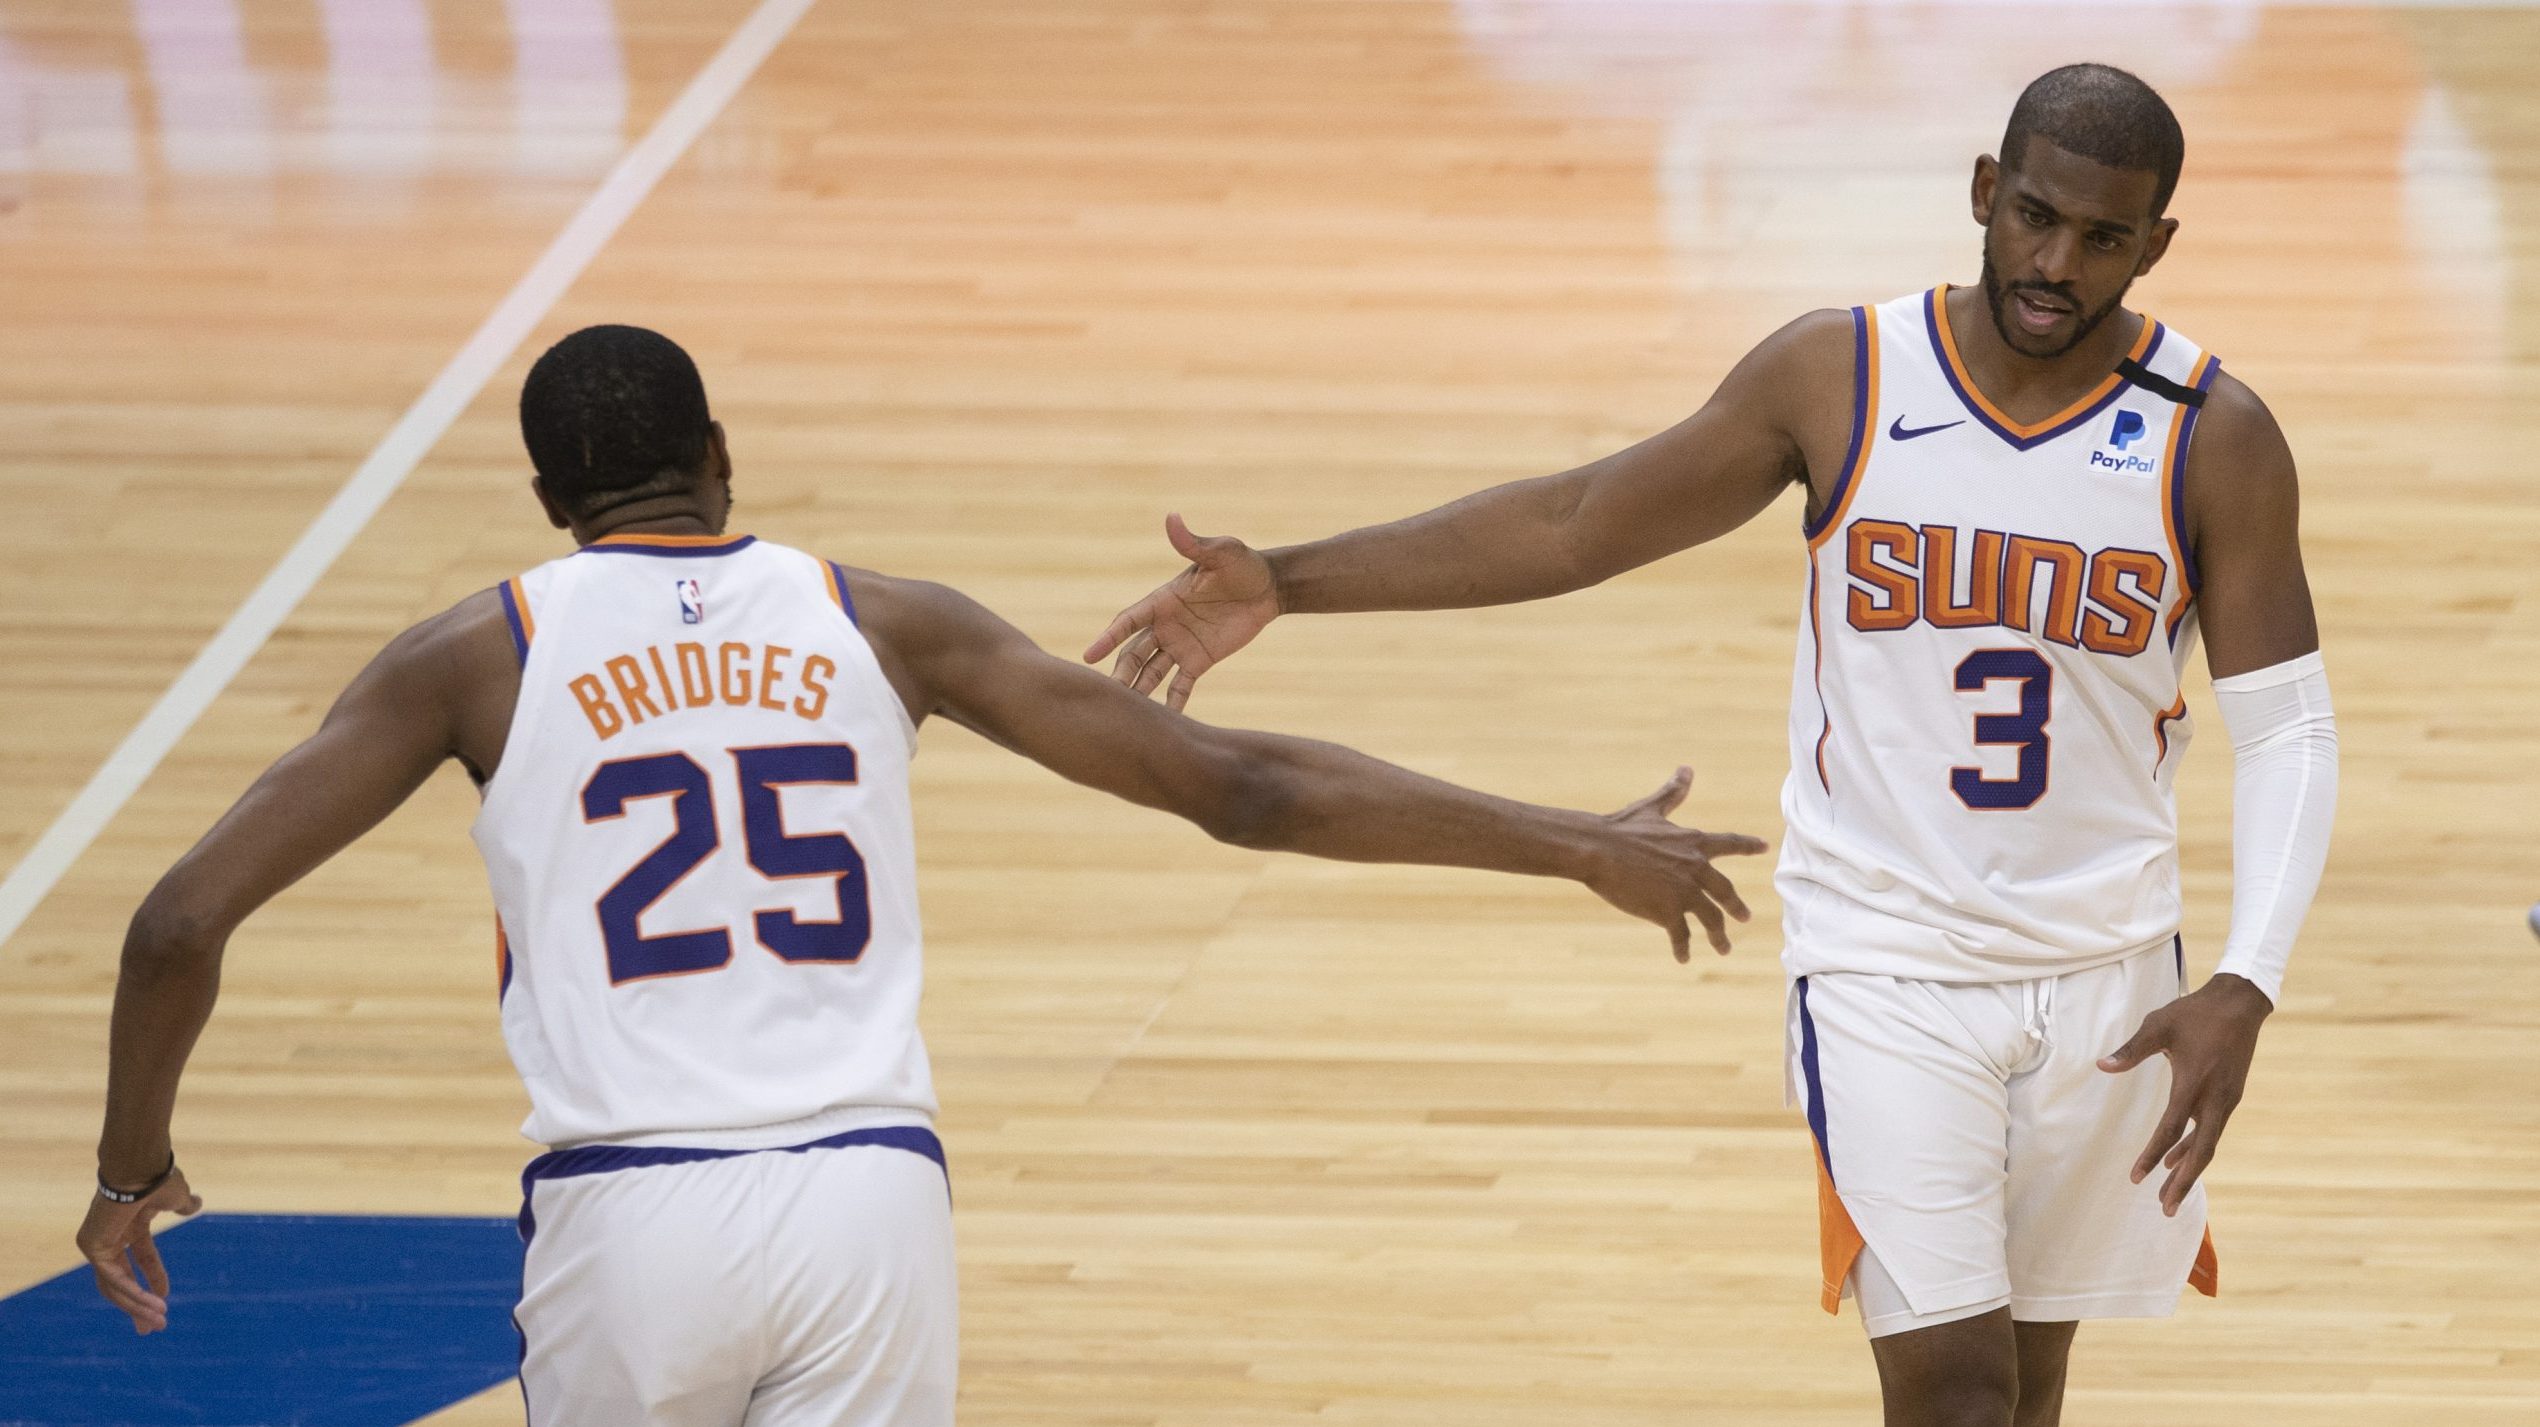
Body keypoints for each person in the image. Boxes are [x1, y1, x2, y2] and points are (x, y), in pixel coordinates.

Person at [72, 325, 1769, 1426]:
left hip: (628, 1210)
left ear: (547, 501)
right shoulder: (884, 621)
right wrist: (1571, 842)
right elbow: (1240, 787)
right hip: (868, 1202)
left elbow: (177, 924)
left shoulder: (475, 658)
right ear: (721, 455)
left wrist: (132, 1169)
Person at [1084, 64, 2338, 1427]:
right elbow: (1580, 521)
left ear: (2155, 245)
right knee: (1958, 1398)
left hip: (2109, 969)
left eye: (2103, 239)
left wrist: (2244, 985)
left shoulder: (2214, 438)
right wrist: (1289, 579)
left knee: (2028, 1393)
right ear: (1985, 191)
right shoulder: (1842, 375)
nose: (2054, 264)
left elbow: (2291, 732)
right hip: (1886, 963)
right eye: (2034, 216)